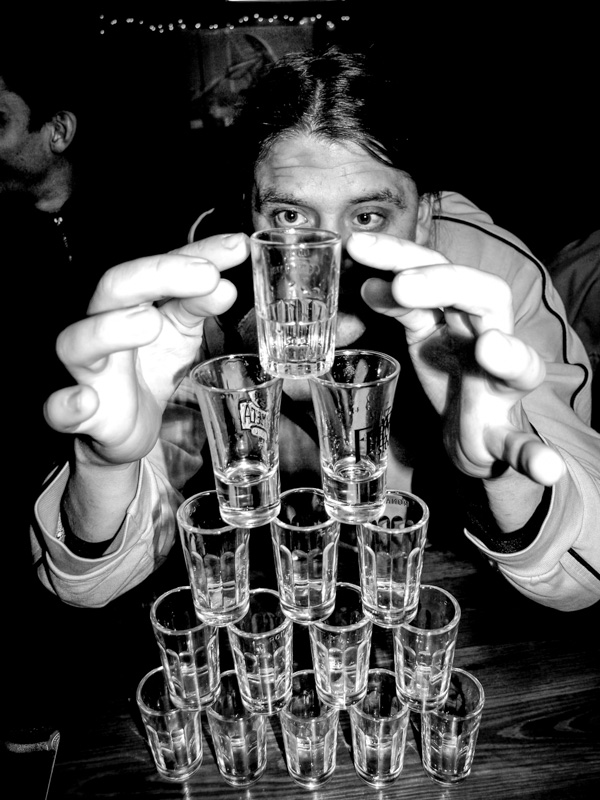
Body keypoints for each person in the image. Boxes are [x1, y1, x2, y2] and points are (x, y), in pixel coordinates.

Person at [31, 48, 599, 613]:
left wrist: (508, 477)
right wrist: (103, 465)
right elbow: (88, 585)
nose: (324, 267)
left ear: (424, 216)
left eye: (368, 217)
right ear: (249, 211)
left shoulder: (489, 280)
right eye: (290, 217)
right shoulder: (203, 287)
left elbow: (589, 577)